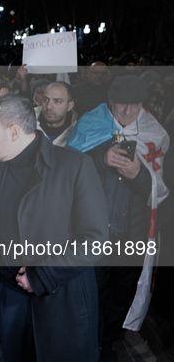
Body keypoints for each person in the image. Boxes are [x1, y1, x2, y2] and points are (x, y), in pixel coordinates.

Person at [0, 94, 109, 362]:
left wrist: (43, 276)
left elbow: (95, 240)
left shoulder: (75, 166)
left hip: (61, 301)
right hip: (7, 298)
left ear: (14, 132)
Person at [68, 76, 169, 361]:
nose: (127, 110)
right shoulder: (91, 123)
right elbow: (69, 168)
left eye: (135, 104)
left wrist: (138, 175)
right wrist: (102, 158)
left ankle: (108, 340)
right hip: (96, 231)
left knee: (121, 293)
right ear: (110, 100)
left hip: (131, 233)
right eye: (122, 104)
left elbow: (157, 190)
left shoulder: (155, 132)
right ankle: (90, 342)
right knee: (93, 293)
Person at [35, 81, 78, 147]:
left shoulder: (77, 133)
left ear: (70, 106)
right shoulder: (25, 122)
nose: (49, 106)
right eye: (46, 100)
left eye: (57, 101)